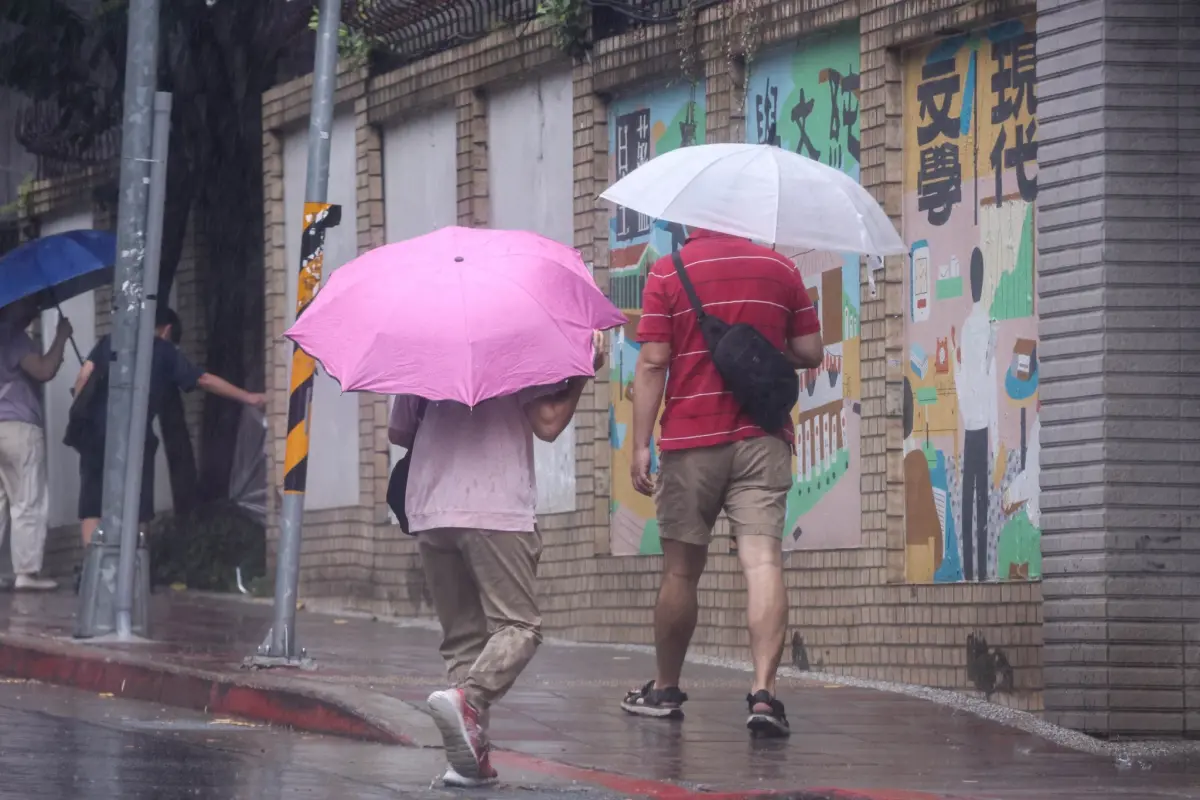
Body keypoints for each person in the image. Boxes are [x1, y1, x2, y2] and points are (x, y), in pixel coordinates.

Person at [621, 229, 823, 738]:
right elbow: (810, 349)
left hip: (691, 443)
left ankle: (665, 689)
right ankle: (763, 695)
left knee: (681, 573)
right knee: (762, 562)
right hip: (763, 436)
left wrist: (640, 443)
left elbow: (652, 362)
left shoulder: (668, 272)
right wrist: (758, 340)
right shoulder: (781, 269)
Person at [388, 333, 604, 788]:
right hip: (494, 505)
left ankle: (468, 759)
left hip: (430, 506)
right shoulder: (514, 341)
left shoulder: (425, 344)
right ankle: (469, 700)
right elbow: (548, 423)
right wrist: (583, 374)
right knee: (519, 626)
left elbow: (399, 432)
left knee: (463, 640)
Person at [71, 307, 265, 546]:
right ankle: (133, 568)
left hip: (94, 435)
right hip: (134, 438)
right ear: (167, 331)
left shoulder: (110, 341)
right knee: (137, 506)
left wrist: (82, 413)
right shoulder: (163, 350)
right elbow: (203, 380)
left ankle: (94, 571)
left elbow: (83, 376)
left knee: (92, 505)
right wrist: (248, 397)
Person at [0, 297, 72, 590]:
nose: (32, 312)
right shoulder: (12, 337)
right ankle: (26, 573)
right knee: (27, 499)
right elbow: (44, 370)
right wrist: (62, 337)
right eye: (27, 307)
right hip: (19, 428)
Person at [952, 247, 998, 582]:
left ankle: (969, 571)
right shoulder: (988, 328)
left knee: (968, 500)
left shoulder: (968, 326)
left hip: (969, 424)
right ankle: (981, 570)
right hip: (981, 424)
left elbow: (964, 375)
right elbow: (988, 378)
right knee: (982, 501)